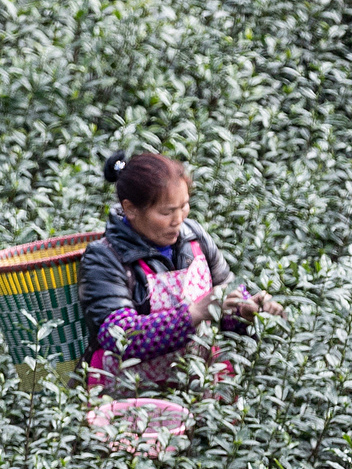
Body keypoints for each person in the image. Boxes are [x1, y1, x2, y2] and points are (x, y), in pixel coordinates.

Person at [78, 151, 283, 399]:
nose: (178, 220)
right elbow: (120, 335)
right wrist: (193, 313)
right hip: (131, 396)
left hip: (199, 385)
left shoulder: (194, 236)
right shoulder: (104, 257)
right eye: (166, 212)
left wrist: (244, 313)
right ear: (130, 209)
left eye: (184, 206)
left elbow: (226, 295)